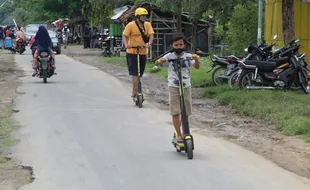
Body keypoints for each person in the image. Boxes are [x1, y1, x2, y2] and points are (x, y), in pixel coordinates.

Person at [155, 35, 200, 143]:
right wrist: (161, 60)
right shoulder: (170, 56)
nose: (179, 46)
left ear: (184, 45)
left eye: (181, 44)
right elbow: (157, 63)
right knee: (176, 111)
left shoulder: (188, 56)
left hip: (186, 85)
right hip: (174, 86)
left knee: (186, 111)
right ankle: (178, 134)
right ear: (172, 46)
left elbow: (197, 67)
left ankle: (185, 132)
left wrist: (196, 59)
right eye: (176, 45)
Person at [122, 7, 154, 98]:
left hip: (143, 51)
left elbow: (151, 35)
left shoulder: (147, 25)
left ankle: (138, 88)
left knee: (140, 72)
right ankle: (135, 90)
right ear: (138, 17)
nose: (144, 18)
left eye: (145, 16)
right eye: (142, 16)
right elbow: (124, 36)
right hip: (132, 51)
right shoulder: (131, 25)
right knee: (135, 72)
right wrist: (126, 44)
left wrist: (149, 43)